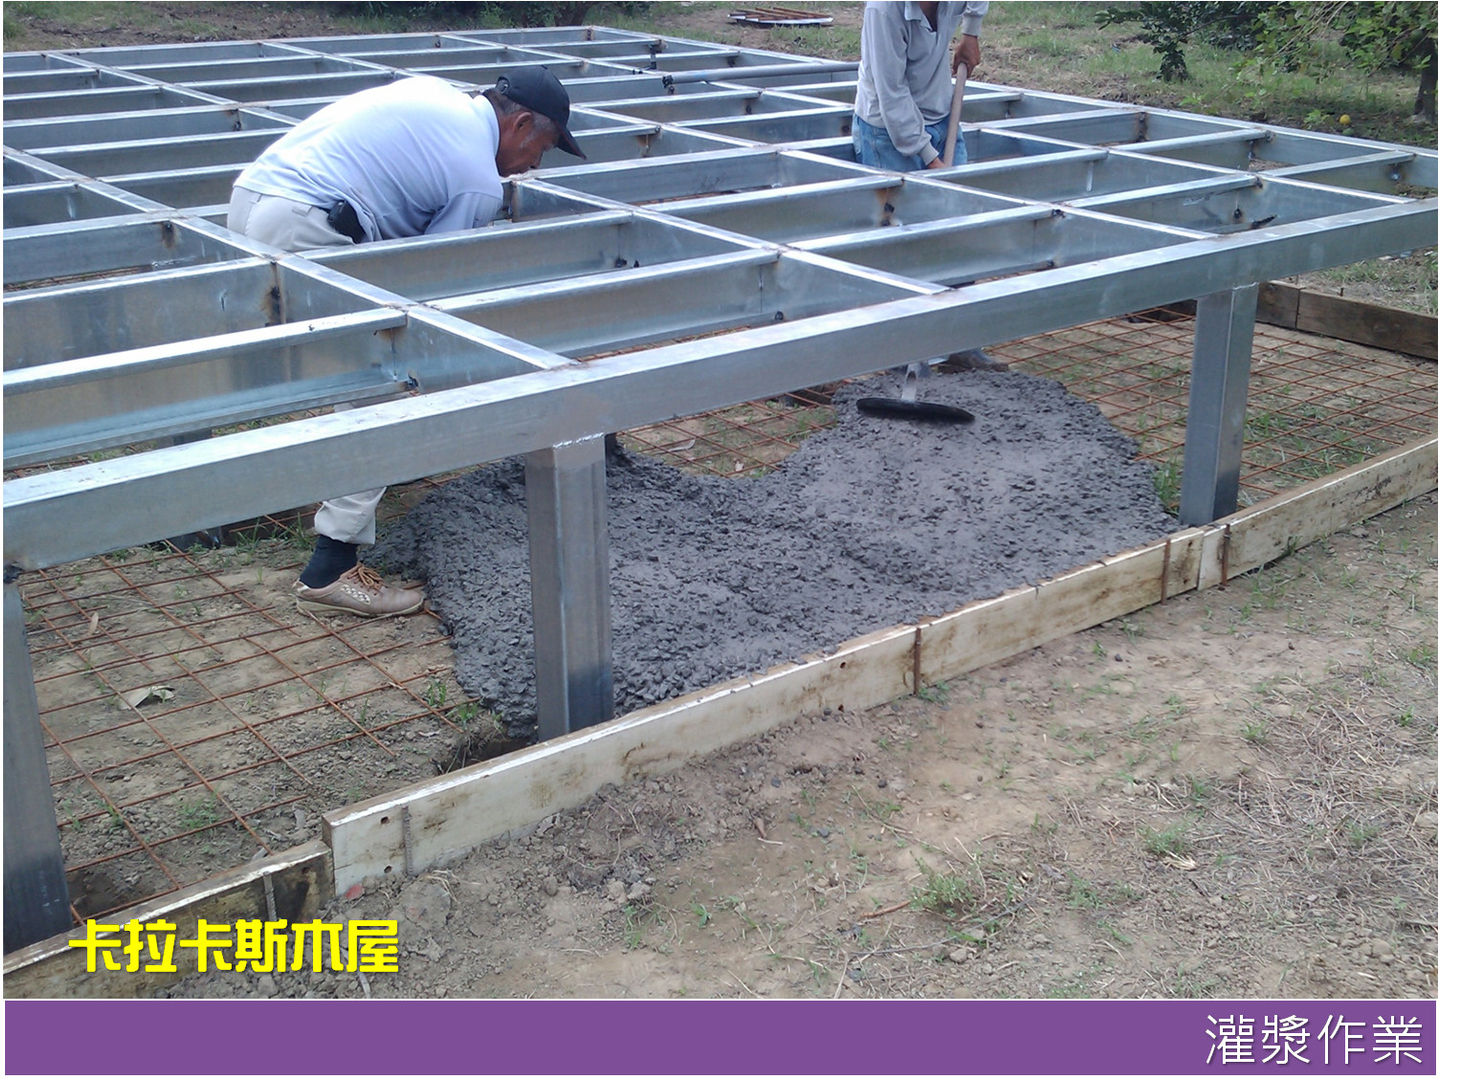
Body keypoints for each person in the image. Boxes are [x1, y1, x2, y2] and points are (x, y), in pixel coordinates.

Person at [228, 68, 586, 618]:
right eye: (542, 147)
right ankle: (330, 568)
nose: (537, 165)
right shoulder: (476, 179)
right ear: (517, 124)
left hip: (252, 199)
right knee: (382, 381)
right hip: (310, 222)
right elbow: (431, 289)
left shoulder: (432, 92)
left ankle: (222, 505)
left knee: (308, 362)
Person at [853, 1, 1006, 372]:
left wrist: (971, 31)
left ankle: (959, 343)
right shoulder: (884, 10)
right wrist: (930, 158)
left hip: (940, 114)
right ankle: (900, 353)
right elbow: (891, 93)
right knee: (900, 242)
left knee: (961, 229)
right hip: (886, 131)